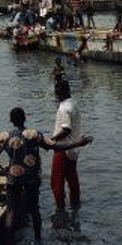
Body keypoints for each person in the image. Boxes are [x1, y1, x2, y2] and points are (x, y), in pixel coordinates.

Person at [0, 106, 93, 244]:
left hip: (14, 179)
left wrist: (3, 170)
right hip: (31, 179)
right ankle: (38, 241)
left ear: (11, 121)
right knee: (34, 211)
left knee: (11, 211)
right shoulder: (34, 135)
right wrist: (78, 143)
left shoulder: (5, 137)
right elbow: (56, 146)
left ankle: (9, 244)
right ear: (24, 119)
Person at [50, 78, 89, 227]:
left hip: (63, 148)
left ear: (59, 92)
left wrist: (51, 140)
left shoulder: (64, 108)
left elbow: (66, 129)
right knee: (72, 179)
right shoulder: (73, 104)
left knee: (56, 182)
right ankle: (75, 205)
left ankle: (60, 210)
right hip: (74, 148)